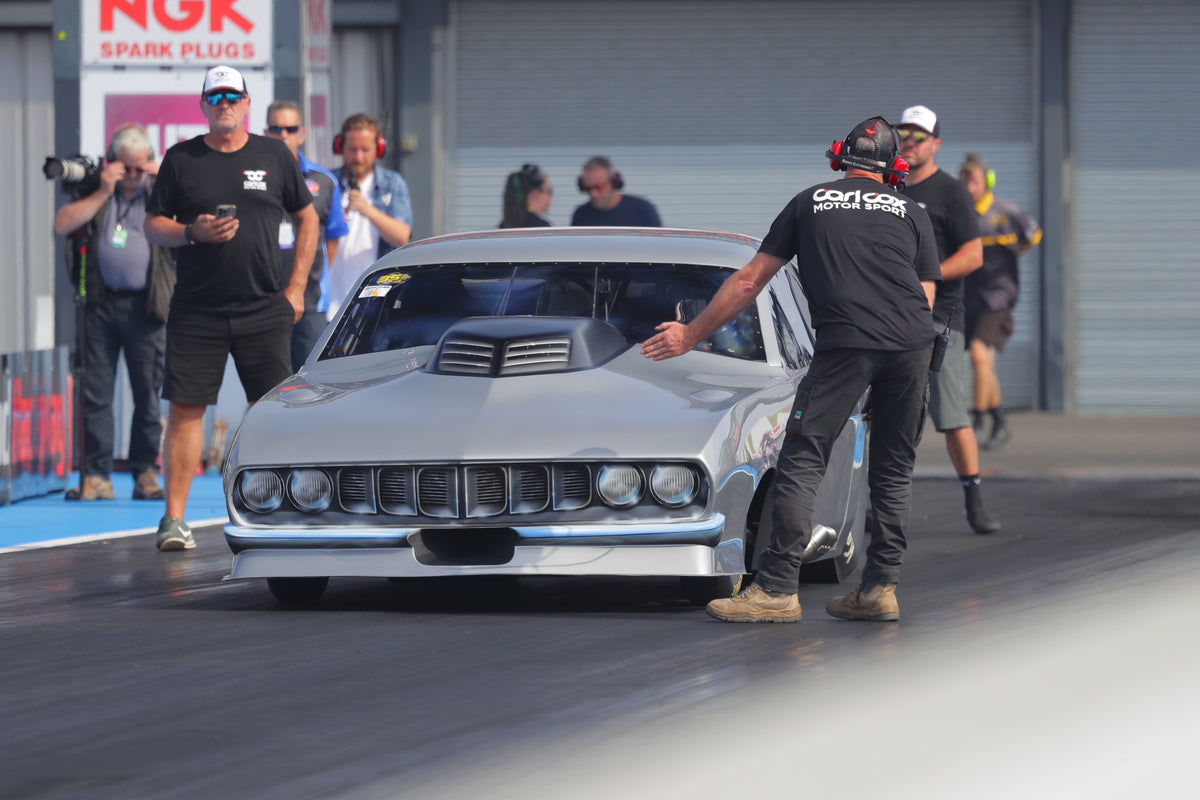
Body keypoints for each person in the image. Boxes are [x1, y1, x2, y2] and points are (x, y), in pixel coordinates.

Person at [642, 116, 940, 623]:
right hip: (912, 343)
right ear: (893, 169)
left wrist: (691, 334)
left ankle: (777, 588)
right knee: (893, 468)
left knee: (804, 455)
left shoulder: (809, 202)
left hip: (847, 340)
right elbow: (926, 295)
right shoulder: (912, 210)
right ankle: (879, 589)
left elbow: (749, 282)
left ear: (839, 160)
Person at [145, 65, 318, 551]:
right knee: (185, 410)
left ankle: (287, 509)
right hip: (197, 309)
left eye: (232, 95)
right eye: (215, 95)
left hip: (264, 307)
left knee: (274, 412)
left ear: (246, 102)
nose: (224, 103)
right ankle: (174, 520)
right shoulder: (182, 159)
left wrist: (297, 288)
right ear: (203, 105)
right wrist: (189, 232)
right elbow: (152, 224)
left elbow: (307, 219)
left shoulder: (274, 154)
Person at [53, 124, 175, 502]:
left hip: (147, 306)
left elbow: (192, 220)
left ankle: (145, 473)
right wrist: (105, 190)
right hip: (99, 306)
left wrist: (164, 177)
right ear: (112, 164)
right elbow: (62, 224)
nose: (134, 176)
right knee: (96, 394)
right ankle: (96, 475)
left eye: (141, 168)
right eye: (127, 168)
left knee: (147, 395)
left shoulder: (163, 193)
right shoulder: (96, 192)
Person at [897, 105, 1000, 535]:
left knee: (952, 412)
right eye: (904, 133)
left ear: (936, 144)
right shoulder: (891, 188)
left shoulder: (952, 192)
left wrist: (929, 274)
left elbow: (974, 255)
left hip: (941, 320)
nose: (909, 142)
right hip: (892, 319)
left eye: (919, 136)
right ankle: (877, 503)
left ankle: (974, 500)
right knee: (888, 414)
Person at [959, 152, 1042, 451]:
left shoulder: (1007, 212)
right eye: (965, 181)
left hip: (1000, 295)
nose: (970, 187)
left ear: (988, 181)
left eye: (975, 181)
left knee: (980, 356)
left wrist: (1012, 257)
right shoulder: (962, 214)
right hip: (970, 296)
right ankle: (1000, 419)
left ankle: (978, 419)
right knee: (985, 363)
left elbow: (1033, 235)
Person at [264, 100, 350, 371]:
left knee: (309, 383)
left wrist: (314, 277)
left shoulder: (324, 181)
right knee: (266, 387)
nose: (283, 135)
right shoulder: (253, 176)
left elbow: (333, 237)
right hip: (262, 300)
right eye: (276, 128)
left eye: (289, 129)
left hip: (311, 303)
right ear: (266, 133)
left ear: (302, 133)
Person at [328, 113, 413, 317]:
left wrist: (367, 210)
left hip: (376, 301)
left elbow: (402, 236)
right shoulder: (327, 182)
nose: (358, 157)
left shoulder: (393, 184)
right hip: (330, 302)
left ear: (379, 149)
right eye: (352, 150)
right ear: (341, 148)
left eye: (365, 150)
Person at [570, 156, 662, 227]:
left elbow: (660, 245)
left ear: (614, 182)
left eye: (600, 187)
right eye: (588, 188)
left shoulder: (643, 210)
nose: (594, 194)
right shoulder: (581, 215)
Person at [498, 163, 554, 228]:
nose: (551, 196)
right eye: (549, 191)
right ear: (535, 195)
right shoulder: (542, 228)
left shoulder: (502, 227)